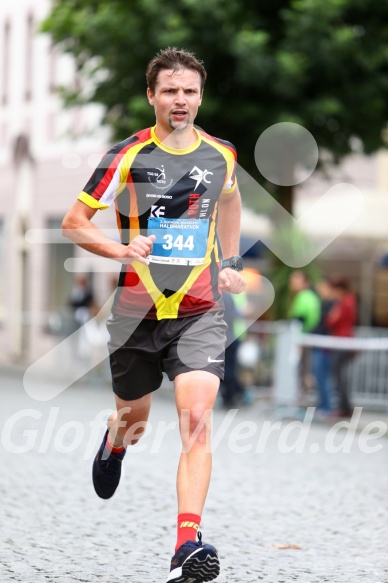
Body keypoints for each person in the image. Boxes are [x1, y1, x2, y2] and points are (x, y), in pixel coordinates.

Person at [62, 47, 246, 583]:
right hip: (136, 312)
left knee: (196, 419)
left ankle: (187, 542)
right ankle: (116, 440)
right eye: (170, 90)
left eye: (189, 90)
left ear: (200, 96)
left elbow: (230, 202)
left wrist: (230, 260)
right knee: (136, 420)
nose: (180, 100)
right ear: (152, 96)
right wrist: (121, 250)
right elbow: (76, 222)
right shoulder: (126, 155)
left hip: (200, 309)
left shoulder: (222, 156)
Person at [325, 275, 357, 417]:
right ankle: (344, 406)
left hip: (342, 342)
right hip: (339, 341)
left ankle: (345, 407)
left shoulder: (346, 301)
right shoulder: (346, 301)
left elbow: (333, 320)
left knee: (339, 376)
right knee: (338, 376)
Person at [288, 270, 321, 396]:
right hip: (306, 337)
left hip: (302, 338)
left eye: (296, 279)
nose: (292, 282)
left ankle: (299, 394)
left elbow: (300, 318)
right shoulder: (311, 296)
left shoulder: (304, 296)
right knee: (304, 368)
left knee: (301, 368)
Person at [310, 277, 336, 414]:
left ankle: (327, 406)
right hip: (319, 344)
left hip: (325, 346)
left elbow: (326, 325)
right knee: (319, 376)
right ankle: (322, 404)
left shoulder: (332, 304)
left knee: (323, 376)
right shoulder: (324, 303)